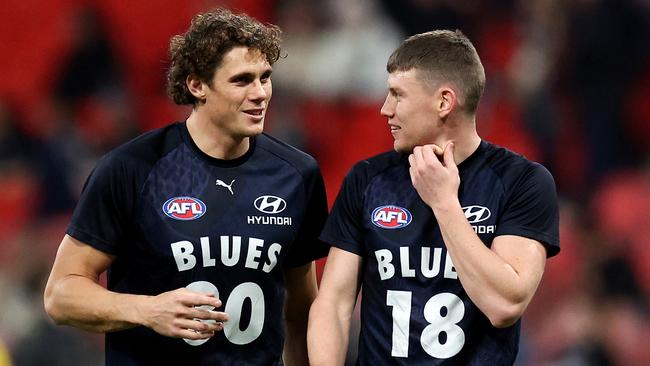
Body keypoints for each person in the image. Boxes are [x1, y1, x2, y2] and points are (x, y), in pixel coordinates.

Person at [44, 8, 329, 366]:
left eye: (265, 77)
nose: (260, 93)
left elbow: (301, 309)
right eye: (242, 80)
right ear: (197, 85)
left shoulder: (296, 174)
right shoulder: (132, 169)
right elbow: (60, 295)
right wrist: (148, 310)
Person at [308, 30, 560, 365]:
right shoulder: (368, 179)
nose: (385, 109)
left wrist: (444, 202)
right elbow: (334, 303)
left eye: (398, 96)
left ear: (444, 102)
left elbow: (504, 306)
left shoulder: (523, 182)